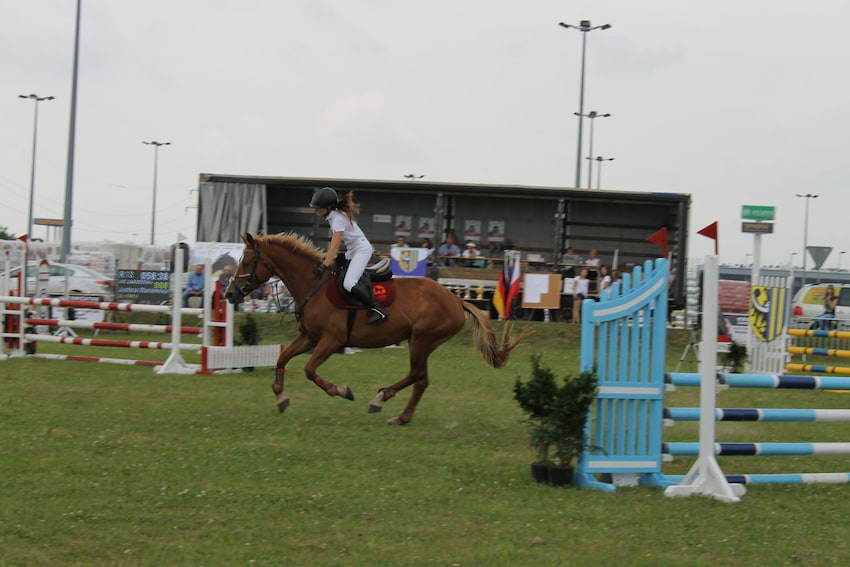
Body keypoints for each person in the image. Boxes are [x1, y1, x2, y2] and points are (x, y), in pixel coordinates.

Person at [310, 187, 387, 324]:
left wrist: (324, 265)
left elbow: (334, 247)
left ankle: (377, 309)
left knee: (348, 283)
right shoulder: (333, 216)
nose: (316, 210)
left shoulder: (337, 219)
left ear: (328, 207)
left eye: (318, 208)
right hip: (352, 250)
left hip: (361, 250)